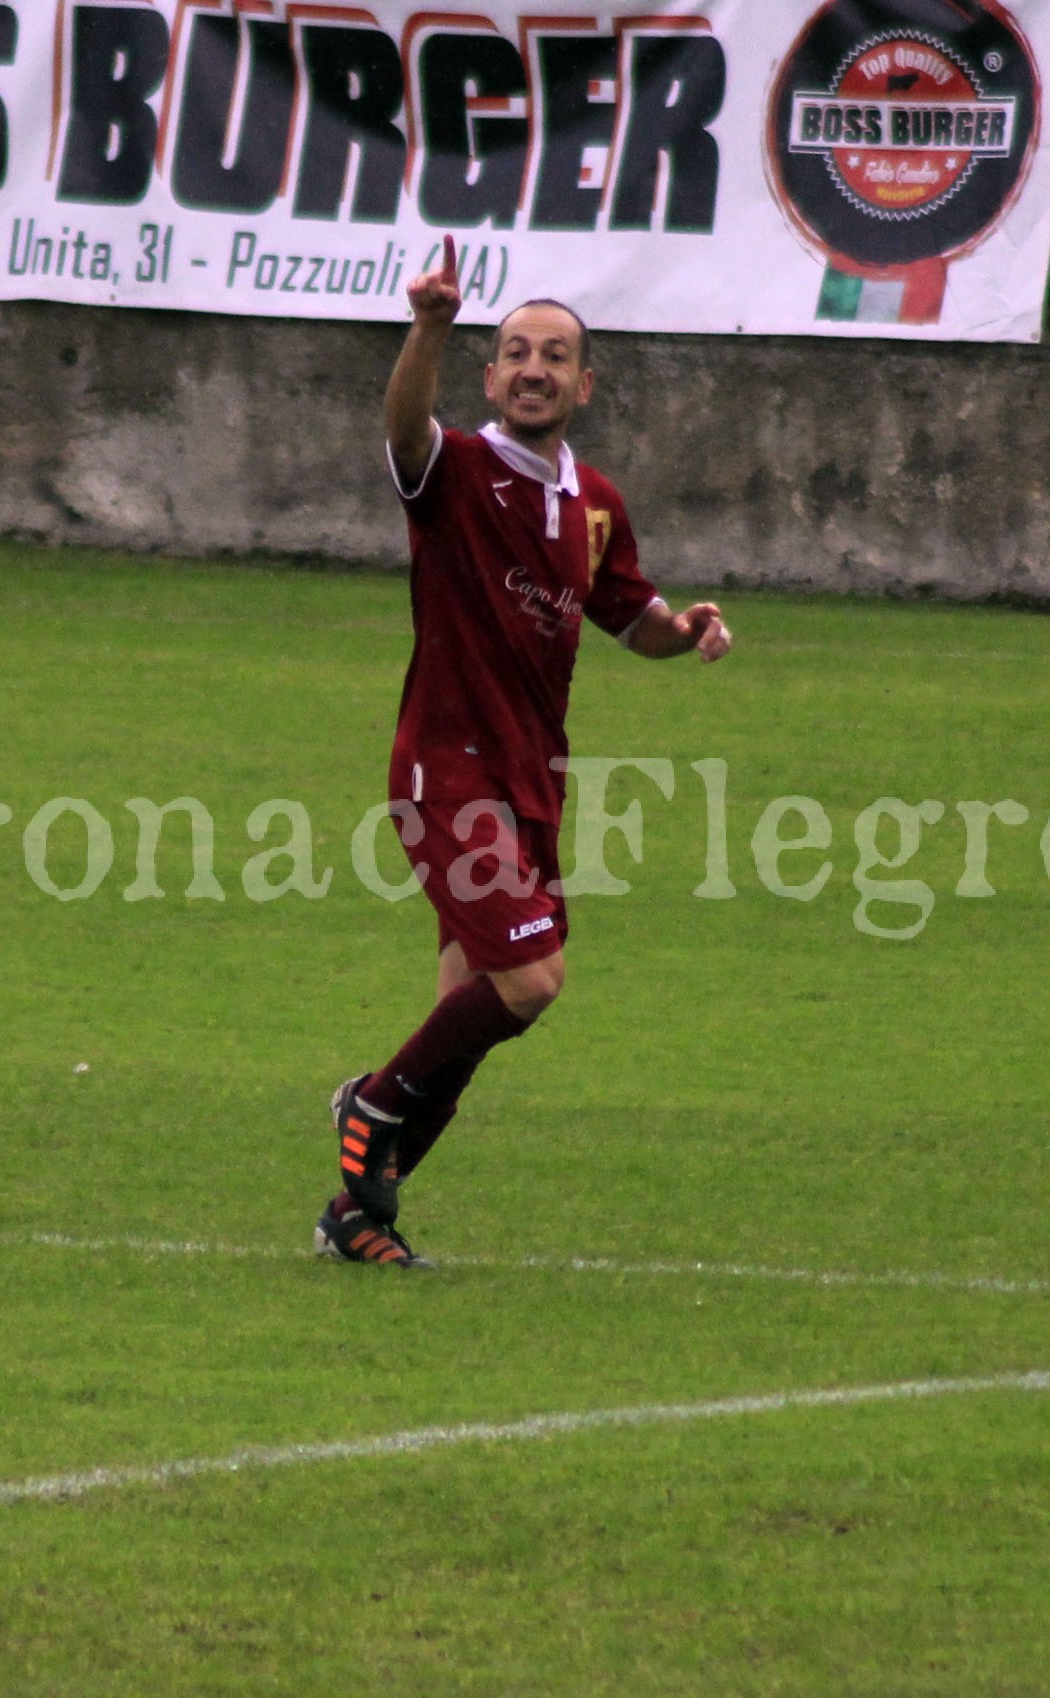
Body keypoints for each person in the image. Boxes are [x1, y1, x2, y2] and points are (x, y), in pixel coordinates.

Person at [317, 238, 734, 1268]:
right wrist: (427, 326)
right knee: (532, 981)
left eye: (554, 355)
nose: (534, 369)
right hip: (448, 772)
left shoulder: (592, 505)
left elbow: (625, 614)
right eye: (514, 353)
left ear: (583, 384)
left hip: (533, 781)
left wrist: (678, 634)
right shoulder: (452, 472)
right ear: (491, 375)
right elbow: (401, 424)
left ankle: (357, 1218)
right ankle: (366, 1106)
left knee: (474, 1001)